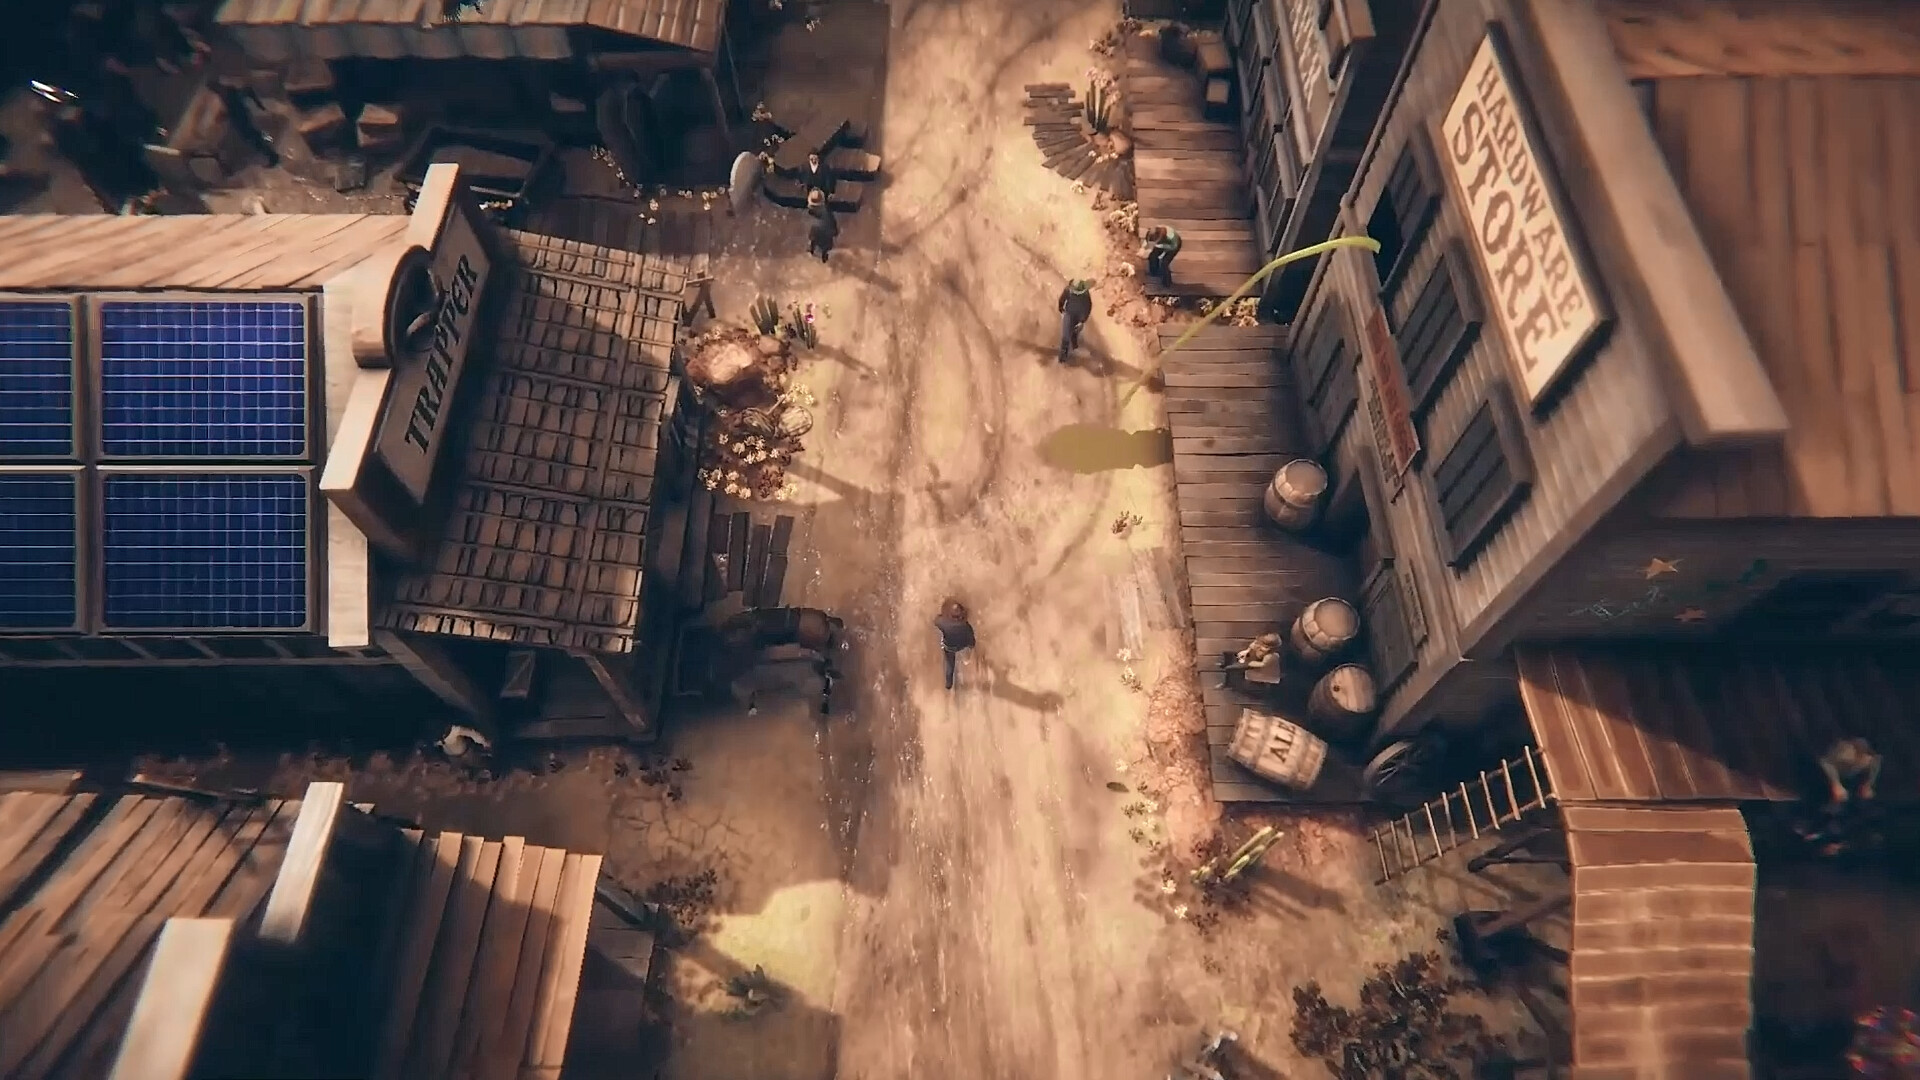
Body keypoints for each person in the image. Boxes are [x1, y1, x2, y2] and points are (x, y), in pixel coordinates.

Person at [213, 74, 279, 168]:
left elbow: (247, 92)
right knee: (258, 136)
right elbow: (246, 94)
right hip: (244, 123)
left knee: (258, 138)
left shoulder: (231, 94)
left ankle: (272, 153)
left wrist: (258, 104)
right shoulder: (228, 95)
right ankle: (271, 148)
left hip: (245, 123)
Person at [1820, 737, 1881, 807]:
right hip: (1830, 777)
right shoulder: (1846, 754)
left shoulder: (1873, 760)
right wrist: (1836, 784)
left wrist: (1868, 785)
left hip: (1853, 781)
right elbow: (1826, 763)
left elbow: (1875, 764)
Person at [934, 599, 976, 691]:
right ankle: (966, 659)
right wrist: (971, 645)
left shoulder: (944, 622)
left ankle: (949, 684)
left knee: (950, 665)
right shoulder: (965, 625)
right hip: (962, 645)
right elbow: (971, 638)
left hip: (949, 647)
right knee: (965, 653)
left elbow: (936, 621)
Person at [1058, 278, 1093, 363]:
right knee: (1066, 336)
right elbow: (1062, 299)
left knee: (1074, 333)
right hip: (1069, 314)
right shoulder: (1068, 290)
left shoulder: (1086, 295)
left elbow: (1088, 307)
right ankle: (1062, 358)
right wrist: (1061, 308)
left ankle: (1074, 348)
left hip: (1079, 317)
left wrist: (1082, 320)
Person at [806, 188, 838, 263]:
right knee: (823, 245)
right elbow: (833, 224)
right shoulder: (827, 213)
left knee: (816, 240)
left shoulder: (820, 215)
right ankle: (822, 255)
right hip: (825, 234)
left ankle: (816, 252)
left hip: (822, 232)